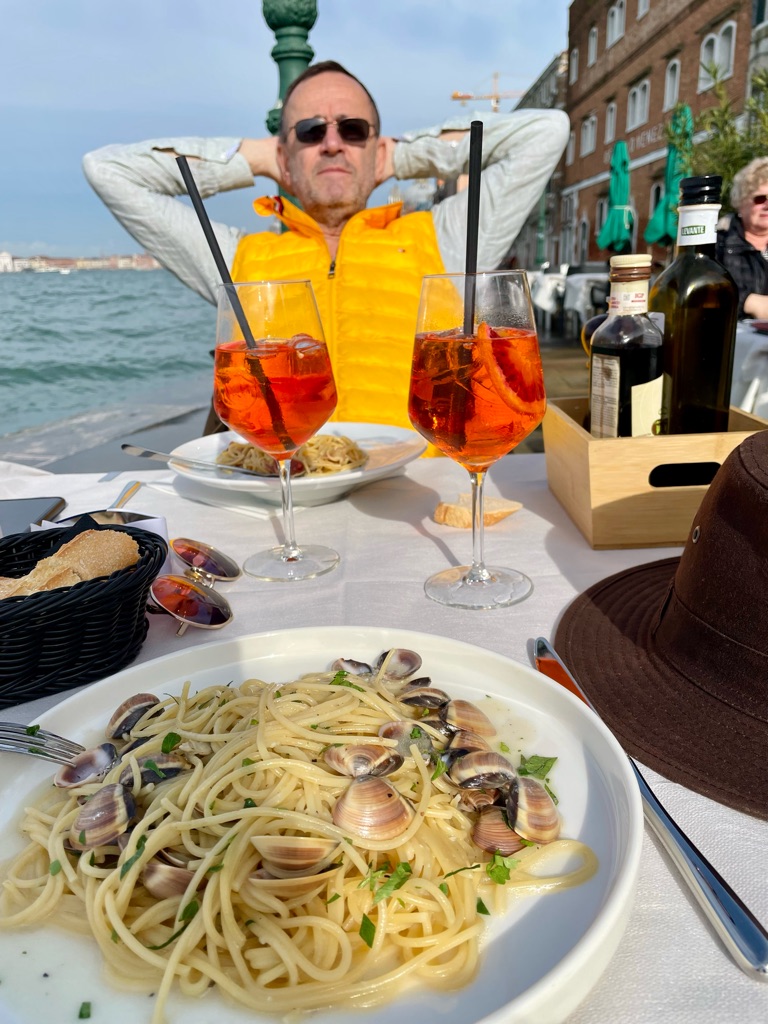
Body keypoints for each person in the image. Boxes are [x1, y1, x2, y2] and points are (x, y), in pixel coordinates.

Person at [83, 61, 569, 432]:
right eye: (310, 132)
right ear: (284, 156)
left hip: (417, 502)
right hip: (285, 496)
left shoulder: (442, 238)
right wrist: (259, 159)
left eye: (353, 130)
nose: (333, 143)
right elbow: (107, 170)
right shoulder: (238, 258)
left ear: (379, 149)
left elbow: (546, 132)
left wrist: (399, 156)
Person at [716, 157, 768, 319]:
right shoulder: (718, 242)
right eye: (760, 199)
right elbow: (704, 291)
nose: (767, 205)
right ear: (741, 202)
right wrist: (748, 301)